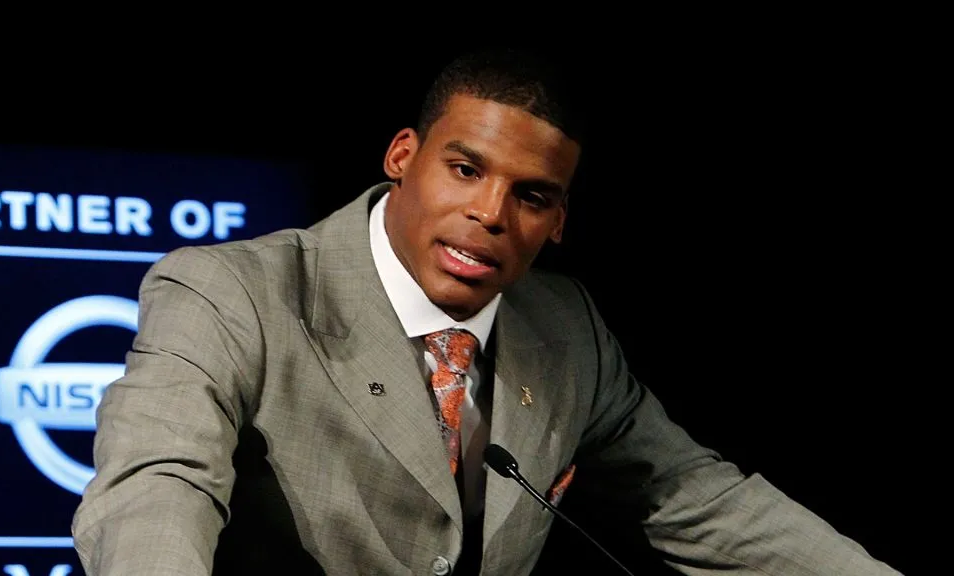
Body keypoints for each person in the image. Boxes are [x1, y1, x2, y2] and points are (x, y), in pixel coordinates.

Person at [71, 48, 902, 575]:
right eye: (465, 170)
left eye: (531, 196)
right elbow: (156, 486)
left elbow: (697, 499)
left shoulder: (566, 328)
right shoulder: (229, 292)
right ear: (404, 156)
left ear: (559, 220)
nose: (491, 215)